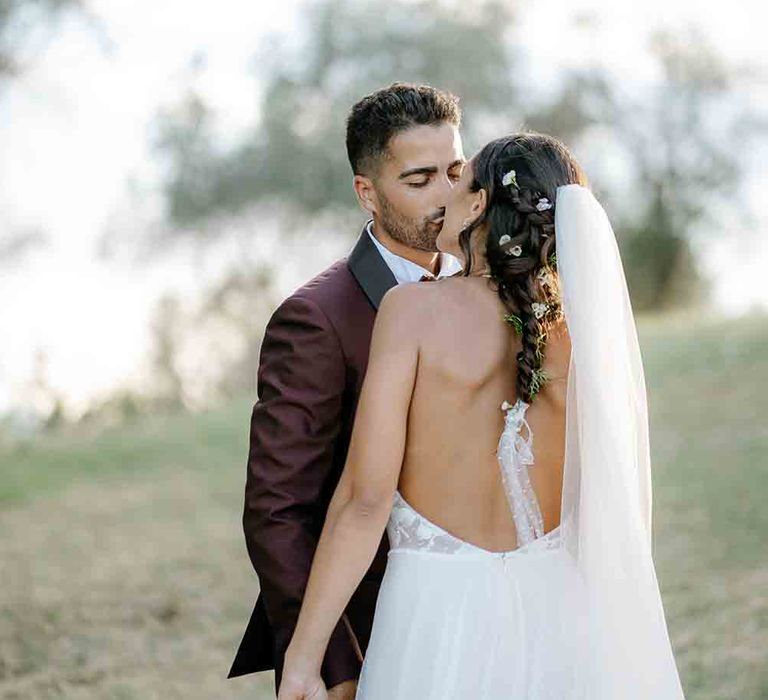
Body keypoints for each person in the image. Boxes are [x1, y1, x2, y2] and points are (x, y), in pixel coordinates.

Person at [277, 132, 687, 699]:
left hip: (436, 622)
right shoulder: (582, 333)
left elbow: (363, 501)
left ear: (479, 205)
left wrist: (304, 656)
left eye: (459, 178)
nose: (445, 191)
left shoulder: (411, 312)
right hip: (565, 619)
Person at [228, 83, 466, 699]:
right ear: (367, 192)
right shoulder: (316, 318)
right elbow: (277, 511)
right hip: (372, 633)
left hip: (476, 612)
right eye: (418, 181)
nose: (445, 195)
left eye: (455, 171)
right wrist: (334, 663)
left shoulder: (482, 291)